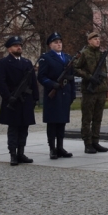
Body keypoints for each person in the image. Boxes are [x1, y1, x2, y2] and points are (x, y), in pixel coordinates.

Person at [0, 35, 39, 166]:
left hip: (26, 100)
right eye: (15, 46)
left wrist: (35, 98)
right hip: (12, 101)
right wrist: (9, 97)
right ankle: (13, 154)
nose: (19, 47)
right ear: (9, 49)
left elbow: (33, 82)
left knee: (24, 128)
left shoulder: (27, 62)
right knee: (13, 128)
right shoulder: (4, 63)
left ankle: (21, 153)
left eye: (20, 45)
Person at [36, 32, 76, 160]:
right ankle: (52, 149)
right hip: (53, 94)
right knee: (52, 123)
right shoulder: (46, 58)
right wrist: (52, 84)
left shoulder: (67, 57)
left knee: (62, 122)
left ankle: (60, 147)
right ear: (50, 45)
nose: (59, 44)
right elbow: (41, 77)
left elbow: (71, 77)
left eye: (60, 42)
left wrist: (73, 93)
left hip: (65, 93)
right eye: (55, 42)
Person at [72, 31, 108, 154]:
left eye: (98, 39)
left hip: (101, 90)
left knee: (98, 118)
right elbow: (75, 68)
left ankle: (95, 141)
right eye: (95, 39)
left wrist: (105, 87)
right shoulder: (84, 53)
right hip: (89, 90)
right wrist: (88, 77)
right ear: (89, 41)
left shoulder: (100, 54)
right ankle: (87, 143)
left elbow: (104, 72)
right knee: (87, 118)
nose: (98, 41)